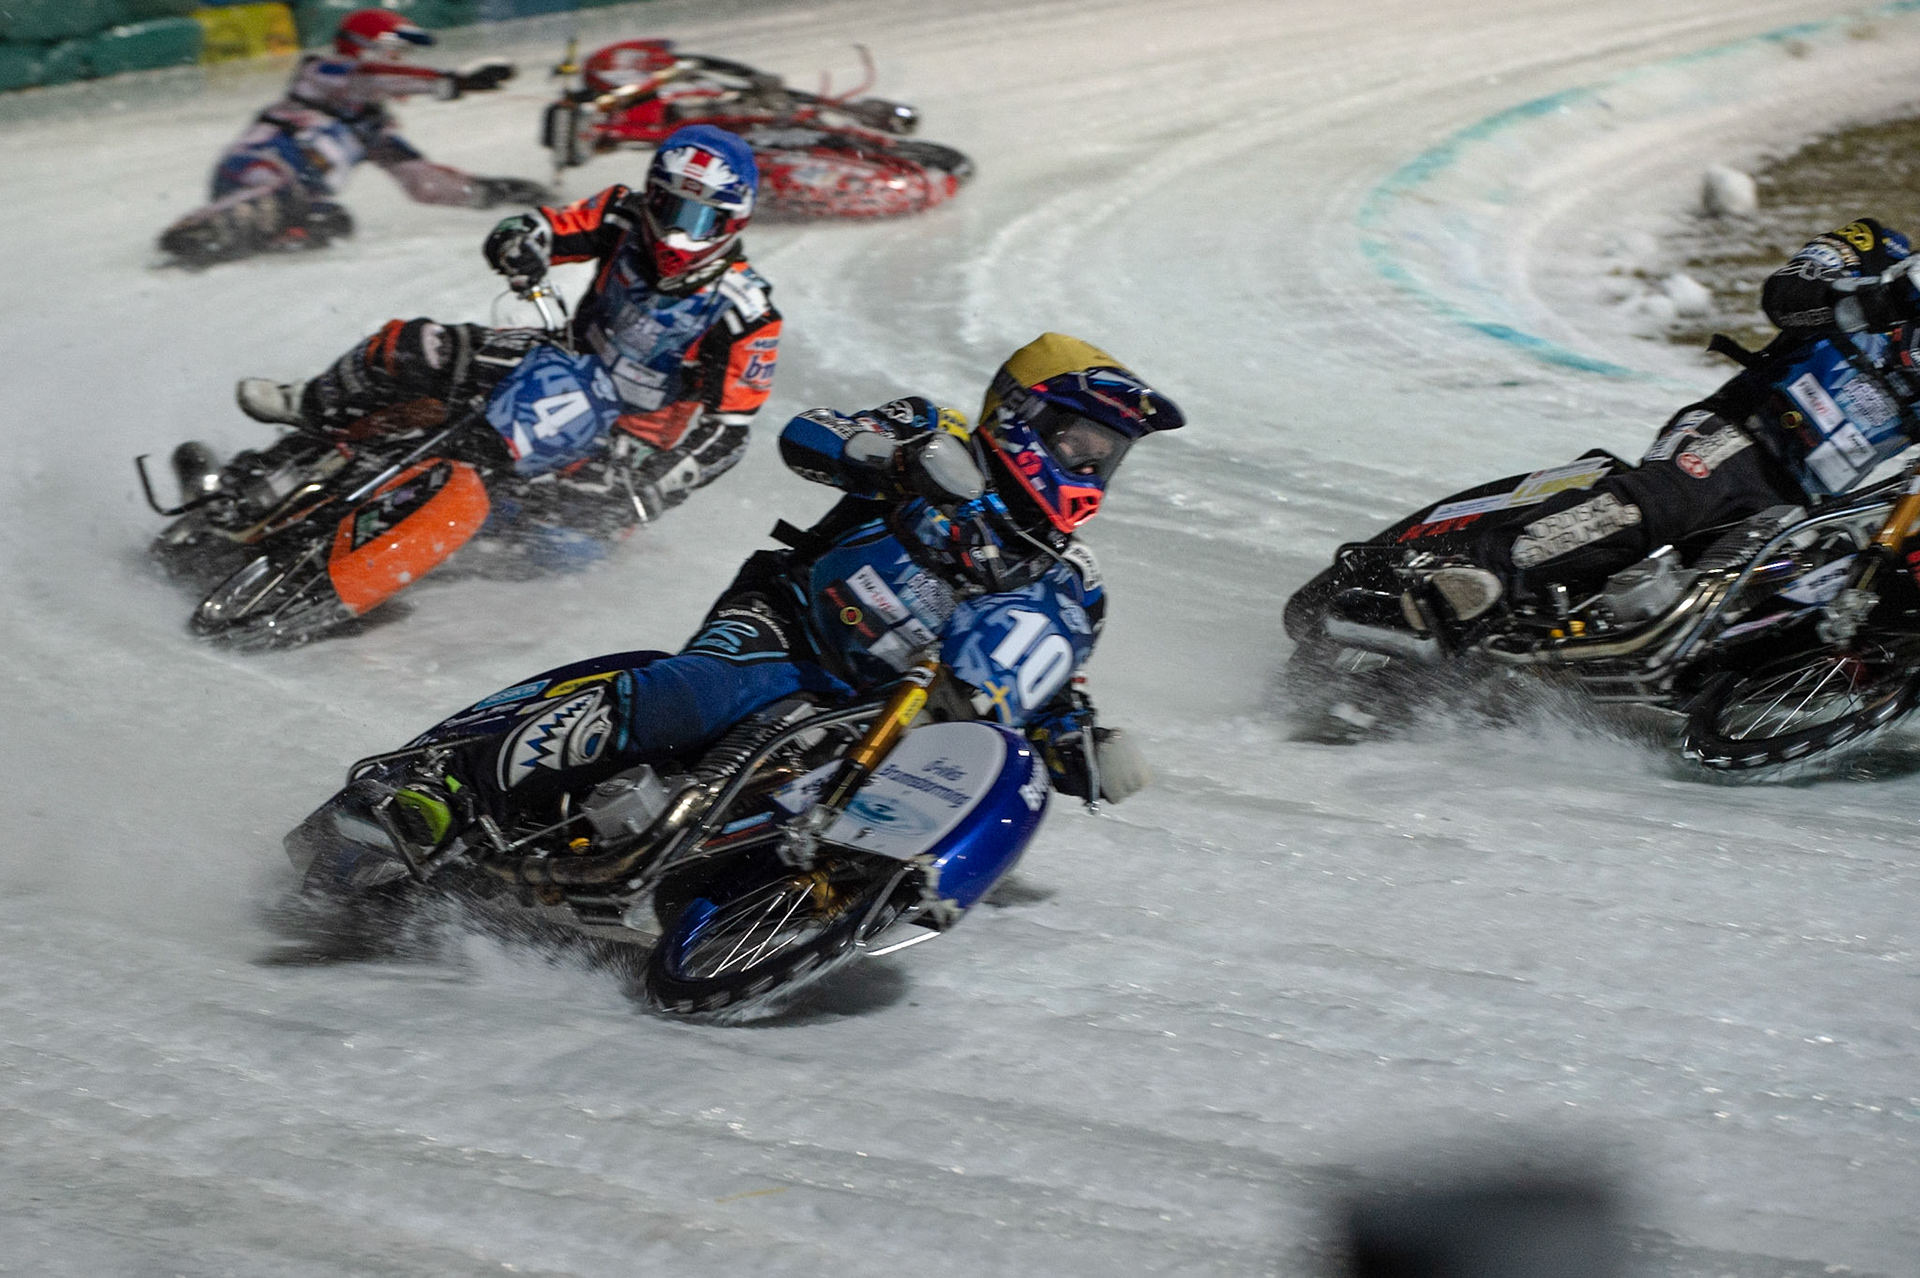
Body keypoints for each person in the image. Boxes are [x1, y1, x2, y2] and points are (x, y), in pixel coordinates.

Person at [384, 332, 1185, 856]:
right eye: (1079, 439)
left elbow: (1035, 680)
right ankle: (453, 787)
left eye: (1106, 454)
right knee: (696, 696)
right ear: (1023, 415)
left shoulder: (1068, 577)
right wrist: (896, 461)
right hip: (790, 628)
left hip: (884, 718)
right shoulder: (933, 428)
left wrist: (1080, 742)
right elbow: (813, 434)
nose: (1089, 464)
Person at [232, 124, 781, 529]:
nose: (675, 233)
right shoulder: (622, 213)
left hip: (627, 438)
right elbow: (539, 225)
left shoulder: (748, 312)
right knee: (415, 347)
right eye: (667, 205)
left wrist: (655, 487)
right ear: (650, 192)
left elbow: (728, 433)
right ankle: (307, 404)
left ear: (734, 220)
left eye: (700, 219)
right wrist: (519, 245)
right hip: (555, 362)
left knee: (570, 535)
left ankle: (411, 565)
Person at [1417, 218, 1920, 630]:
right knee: (1664, 505)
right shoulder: (1879, 247)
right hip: (1736, 433)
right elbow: (1785, 296)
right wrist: (1874, 300)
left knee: (1750, 610)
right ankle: (1482, 573)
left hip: (1798, 504)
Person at [159, 8, 549, 266]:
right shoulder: (323, 73)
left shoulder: (373, 129)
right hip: (256, 168)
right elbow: (370, 76)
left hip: (302, 196)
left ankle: (252, 242)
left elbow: (423, 182)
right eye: (394, 52)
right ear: (367, 47)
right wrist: (454, 82)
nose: (399, 63)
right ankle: (199, 230)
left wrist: (495, 191)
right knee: (278, 188)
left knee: (332, 221)